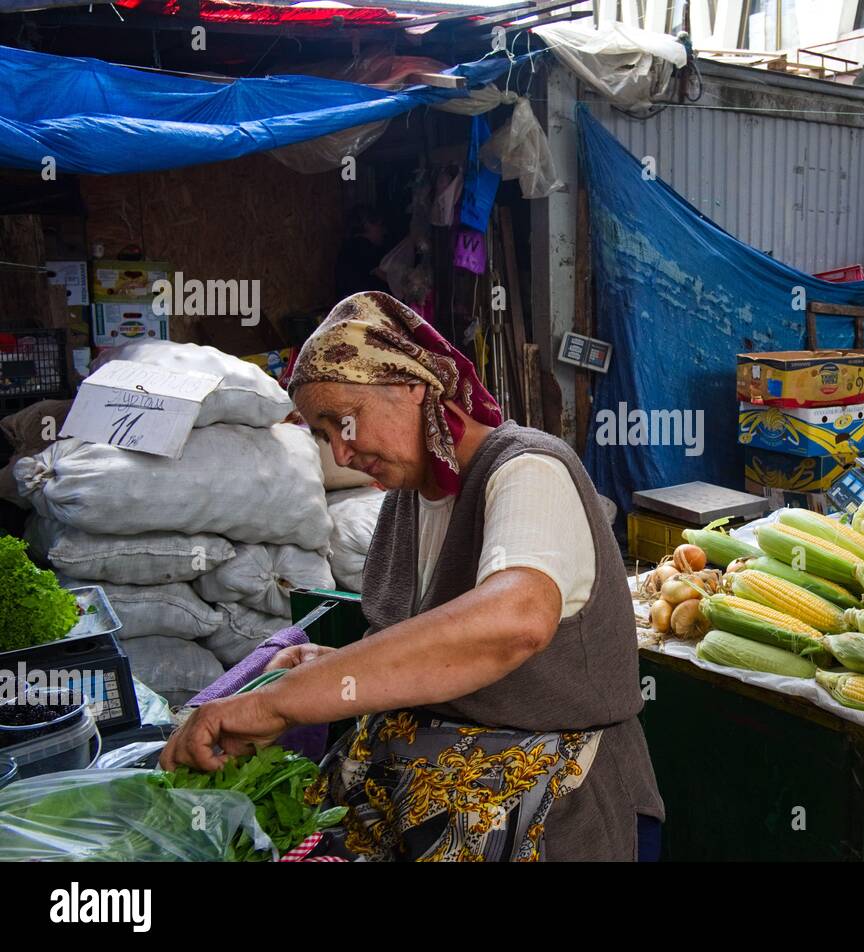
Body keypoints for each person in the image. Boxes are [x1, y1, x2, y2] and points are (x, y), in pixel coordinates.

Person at [161, 291, 664, 862]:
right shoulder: (406, 503)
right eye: (325, 436)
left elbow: (512, 621)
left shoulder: (528, 468)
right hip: (431, 804)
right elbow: (432, 660)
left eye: (344, 421)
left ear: (411, 383)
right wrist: (332, 671)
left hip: (550, 816)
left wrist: (285, 703)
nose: (342, 453)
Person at [334, 205, 390, 300]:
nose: (383, 231)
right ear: (367, 224)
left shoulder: (350, 246)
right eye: (379, 225)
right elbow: (386, 278)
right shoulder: (362, 246)